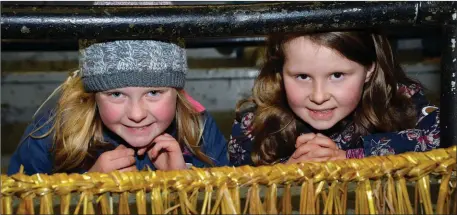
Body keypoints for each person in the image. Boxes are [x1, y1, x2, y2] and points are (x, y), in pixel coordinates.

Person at [8, 40, 229, 175]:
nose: (136, 114)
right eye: (116, 94)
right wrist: (85, 189)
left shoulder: (199, 131)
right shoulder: (52, 133)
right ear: (93, 94)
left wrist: (183, 182)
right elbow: (20, 202)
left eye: (153, 92)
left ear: (178, 92)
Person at [228, 31, 440, 166]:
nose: (319, 96)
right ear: (280, 72)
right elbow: (235, 187)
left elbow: (444, 134)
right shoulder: (254, 126)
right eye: (302, 76)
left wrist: (352, 158)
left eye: (337, 75)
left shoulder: (400, 100)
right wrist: (286, 173)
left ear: (368, 70)